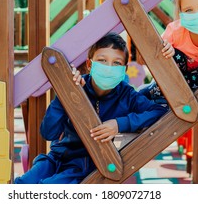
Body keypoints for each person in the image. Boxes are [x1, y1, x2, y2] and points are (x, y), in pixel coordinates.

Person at [14, 32, 169, 184]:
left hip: (85, 165)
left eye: (117, 63)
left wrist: (119, 124)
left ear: (124, 70)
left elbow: (158, 111)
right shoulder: (77, 86)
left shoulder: (127, 96)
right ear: (89, 64)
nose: (109, 67)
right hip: (57, 157)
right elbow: (49, 132)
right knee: (23, 183)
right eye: (102, 60)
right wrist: (66, 93)